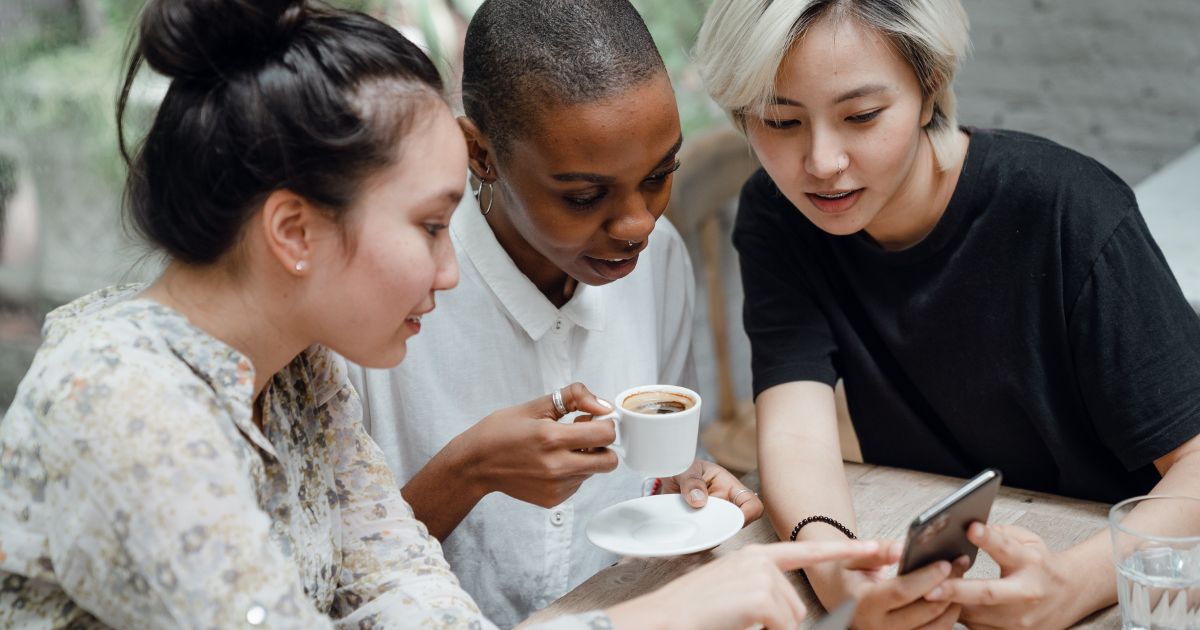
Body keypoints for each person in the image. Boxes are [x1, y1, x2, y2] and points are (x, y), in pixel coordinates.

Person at [0, 0, 894, 628]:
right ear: (293, 230)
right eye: (432, 225)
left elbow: (395, 591)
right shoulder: (122, 401)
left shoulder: (300, 371)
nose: (453, 267)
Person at [693, 0, 1200, 629]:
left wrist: (1071, 586)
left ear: (929, 89)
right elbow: (796, 429)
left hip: (1126, 571)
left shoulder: (1067, 209)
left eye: (862, 115)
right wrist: (835, 570)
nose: (822, 163)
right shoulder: (780, 215)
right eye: (779, 121)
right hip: (935, 555)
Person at [345, 1, 766, 625]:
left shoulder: (660, 262)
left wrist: (686, 483)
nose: (637, 224)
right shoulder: (385, 300)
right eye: (583, 196)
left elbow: (656, 483)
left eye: (660, 175)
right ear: (480, 155)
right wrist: (468, 472)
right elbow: (325, 585)